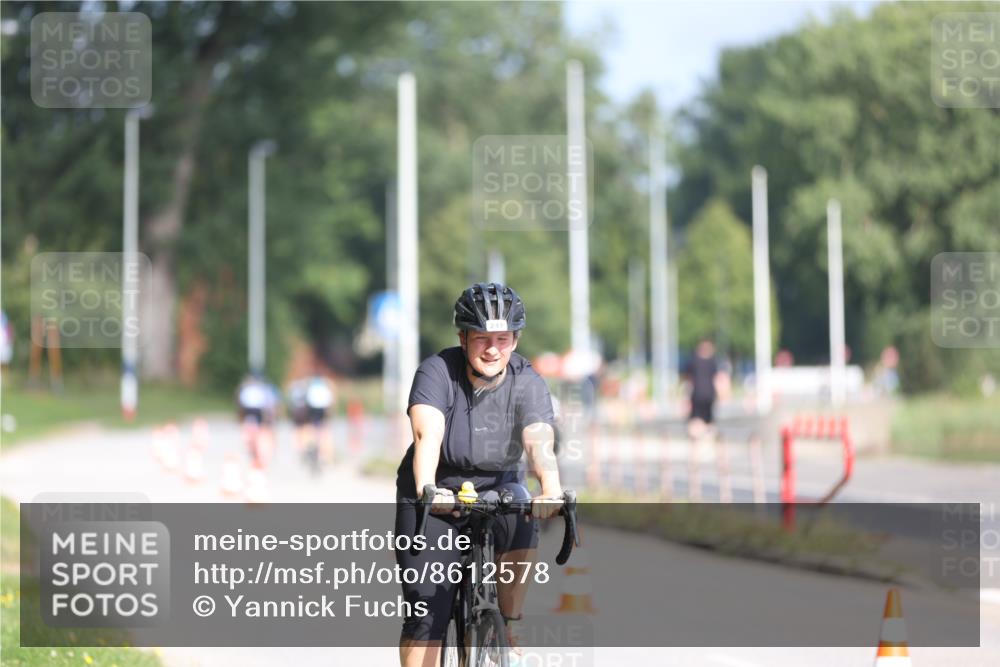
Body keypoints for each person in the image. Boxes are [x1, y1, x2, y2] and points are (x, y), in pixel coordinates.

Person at [394, 282, 563, 667]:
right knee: (427, 614)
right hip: (436, 490)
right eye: (481, 338)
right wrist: (427, 488)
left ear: (515, 341)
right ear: (463, 337)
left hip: (498, 489)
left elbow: (539, 441)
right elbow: (427, 435)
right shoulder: (437, 371)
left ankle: (509, 619)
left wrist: (550, 488)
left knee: (522, 506)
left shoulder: (527, 380)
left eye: (502, 339)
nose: (491, 349)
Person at [286, 372, 337, 472]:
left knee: (308, 428)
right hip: (322, 410)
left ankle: (309, 447)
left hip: (312, 410)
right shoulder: (325, 385)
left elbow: (303, 401)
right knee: (323, 430)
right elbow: (331, 403)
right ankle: (324, 454)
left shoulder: (307, 385)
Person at [685, 338, 729, 440]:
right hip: (707, 395)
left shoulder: (694, 360)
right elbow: (719, 379)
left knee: (697, 420)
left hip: (698, 395)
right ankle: (705, 440)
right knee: (706, 421)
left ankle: (698, 441)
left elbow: (688, 380)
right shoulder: (713, 362)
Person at [236, 373, 279, 469]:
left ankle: (253, 446)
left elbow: (241, 403)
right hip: (258, 412)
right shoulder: (263, 389)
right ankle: (255, 446)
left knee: (252, 430)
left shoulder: (246, 388)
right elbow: (269, 404)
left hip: (251, 412)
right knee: (259, 432)